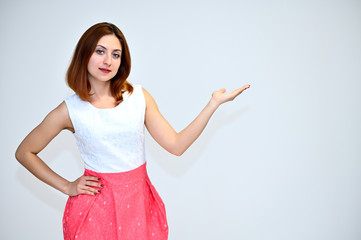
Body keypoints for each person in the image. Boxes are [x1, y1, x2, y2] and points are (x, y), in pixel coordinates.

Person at [15, 22, 250, 240]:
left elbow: (176, 145)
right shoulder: (70, 110)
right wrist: (67, 186)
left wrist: (213, 105)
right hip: (93, 211)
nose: (108, 60)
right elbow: (25, 152)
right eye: (100, 51)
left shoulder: (138, 97)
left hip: (138, 206)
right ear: (83, 54)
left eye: (115, 54)